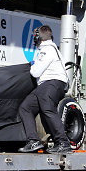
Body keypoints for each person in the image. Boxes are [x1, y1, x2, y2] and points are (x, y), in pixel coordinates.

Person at [18, 25, 72, 154]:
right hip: (51, 85)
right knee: (26, 108)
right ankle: (33, 141)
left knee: (47, 109)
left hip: (50, 83)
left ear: (38, 38)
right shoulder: (52, 49)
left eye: (34, 37)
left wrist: (33, 64)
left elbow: (35, 72)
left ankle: (63, 143)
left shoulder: (46, 50)